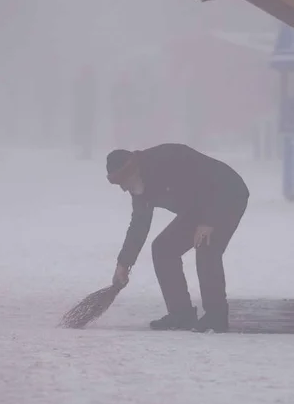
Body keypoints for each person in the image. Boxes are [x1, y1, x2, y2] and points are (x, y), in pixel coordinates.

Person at [106, 143, 250, 333]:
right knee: (163, 248)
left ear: (132, 170)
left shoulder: (169, 158)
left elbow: (209, 182)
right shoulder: (139, 184)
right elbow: (139, 225)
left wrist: (208, 221)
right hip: (198, 207)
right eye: (119, 185)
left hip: (227, 195)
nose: (124, 189)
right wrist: (124, 263)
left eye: (123, 182)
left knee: (206, 245)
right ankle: (181, 314)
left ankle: (216, 316)